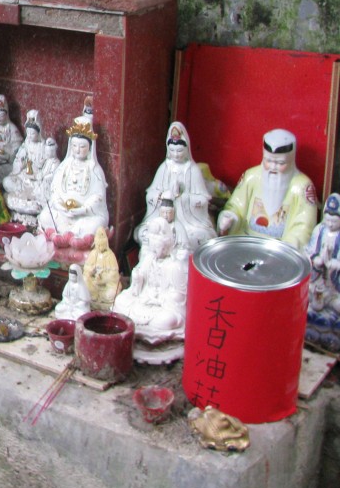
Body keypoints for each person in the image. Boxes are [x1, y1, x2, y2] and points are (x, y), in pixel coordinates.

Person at [217, 128, 318, 250]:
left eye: (280, 163)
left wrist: (290, 244)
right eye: (268, 161)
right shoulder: (251, 177)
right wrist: (229, 218)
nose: (273, 167)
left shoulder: (302, 187)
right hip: (246, 241)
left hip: (279, 248)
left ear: (290, 161)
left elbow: (304, 225)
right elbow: (236, 206)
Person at [134, 122, 215, 252]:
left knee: (199, 238)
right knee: (143, 233)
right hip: (163, 219)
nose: (176, 154)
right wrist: (163, 196)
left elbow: (203, 199)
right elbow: (151, 193)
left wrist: (182, 197)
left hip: (187, 223)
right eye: (172, 150)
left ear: (187, 149)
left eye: (179, 150)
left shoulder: (192, 170)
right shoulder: (164, 168)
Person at [113, 217, 188, 353]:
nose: (154, 252)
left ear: (166, 245)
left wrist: (157, 300)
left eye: (157, 248)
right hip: (144, 301)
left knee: (166, 320)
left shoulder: (174, 266)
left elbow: (179, 297)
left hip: (162, 307)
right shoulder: (149, 259)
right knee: (120, 300)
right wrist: (137, 279)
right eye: (152, 248)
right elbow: (138, 285)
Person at [37, 118, 109, 248]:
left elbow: (98, 197)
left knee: (95, 226)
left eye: (82, 147)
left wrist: (82, 209)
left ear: (90, 147)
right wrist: (59, 205)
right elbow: (55, 189)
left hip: (85, 217)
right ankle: (66, 237)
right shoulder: (64, 166)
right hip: (63, 213)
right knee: (45, 216)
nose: (77, 150)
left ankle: (69, 238)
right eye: (74, 146)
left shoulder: (95, 169)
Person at [2, 110, 48, 218]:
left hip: (36, 180)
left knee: (42, 190)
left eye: (33, 133)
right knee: (6, 182)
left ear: (39, 132)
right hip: (24, 177)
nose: (31, 136)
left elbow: (47, 166)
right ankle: (23, 196)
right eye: (28, 133)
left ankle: (31, 199)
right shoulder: (26, 144)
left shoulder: (44, 146)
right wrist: (21, 163)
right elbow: (18, 161)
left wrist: (37, 174)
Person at [83, 227, 121, 311]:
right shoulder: (93, 254)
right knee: (85, 282)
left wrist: (103, 279)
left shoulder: (110, 255)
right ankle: (93, 296)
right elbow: (86, 268)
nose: (99, 247)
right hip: (94, 283)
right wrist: (91, 271)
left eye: (101, 245)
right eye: (98, 245)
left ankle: (100, 299)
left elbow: (114, 274)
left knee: (111, 294)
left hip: (107, 284)